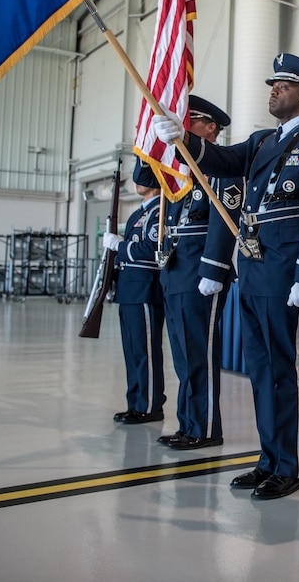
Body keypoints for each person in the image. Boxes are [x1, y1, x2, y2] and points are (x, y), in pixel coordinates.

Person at [152, 54, 299, 499]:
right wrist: (183, 139)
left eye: (284, 85)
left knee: (287, 368)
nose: (274, 90)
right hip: (256, 269)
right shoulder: (260, 142)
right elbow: (221, 160)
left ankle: (292, 465)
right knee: (262, 370)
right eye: (272, 84)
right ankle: (269, 459)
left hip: (288, 273)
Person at [156, 95, 242, 450]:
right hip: (177, 271)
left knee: (199, 355)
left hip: (201, 275)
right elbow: (142, 173)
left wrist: (214, 268)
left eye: (190, 124)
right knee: (183, 356)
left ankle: (205, 428)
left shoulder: (221, 169)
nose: (183, 130)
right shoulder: (182, 173)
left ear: (210, 129)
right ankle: (188, 422)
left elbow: (225, 221)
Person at [106, 161, 165, 425]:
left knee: (145, 351)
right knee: (131, 350)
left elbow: (152, 249)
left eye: (143, 177)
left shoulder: (159, 210)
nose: (137, 182)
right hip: (129, 288)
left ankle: (150, 405)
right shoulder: (138, 213)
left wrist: (121, 246)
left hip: (145, 286)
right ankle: (135, 402)